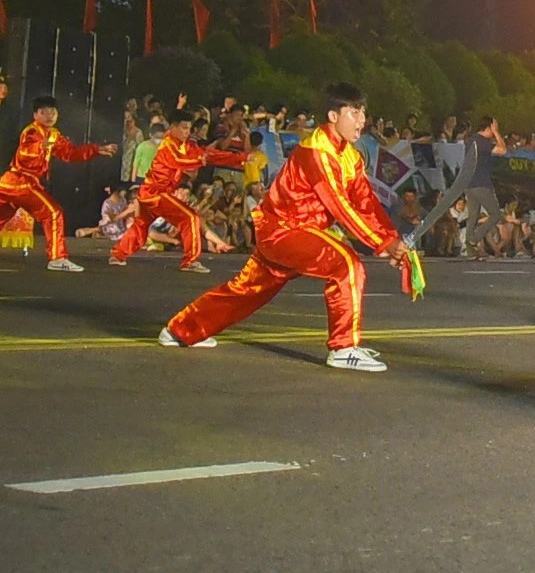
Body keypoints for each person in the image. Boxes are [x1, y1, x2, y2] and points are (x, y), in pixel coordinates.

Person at [159, 82, 410, 371]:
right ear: (332, 116)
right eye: (354, 112)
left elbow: (365, 202)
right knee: (346, 263)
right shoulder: (317, 152)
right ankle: (343, 347)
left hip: (294, 233)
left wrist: (390, 238)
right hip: (285, 230)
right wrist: (383, 244)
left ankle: (180, 330)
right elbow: (340, 206)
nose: (362, 120)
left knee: (245, 290)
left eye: (363, 112)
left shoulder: (349, 156)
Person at [0, 96, 117, 271]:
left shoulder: (53, 134)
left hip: (11, 184)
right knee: (54, 213)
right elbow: (27, 154)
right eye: (44, 112)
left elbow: (69, 153)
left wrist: (97, 150)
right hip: (21, 182)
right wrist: (41, 146)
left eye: (53, 112)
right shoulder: (32, 132)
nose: (49, 116)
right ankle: (57, 258)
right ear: (35, 115)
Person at [109, 109, 248, 273]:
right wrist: (198, 160)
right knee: (190, 217)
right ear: (173, 127)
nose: (186, 132)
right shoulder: (168, 144)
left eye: (188, 128)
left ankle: (118, 254)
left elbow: (209, 154)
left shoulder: (186, 145)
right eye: (183, 128)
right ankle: (189, 261)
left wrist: (241, 158)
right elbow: (179, 161)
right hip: (155, 193)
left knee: (141, 225)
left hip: (155, 193)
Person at [458, 116, 507, 258]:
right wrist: (497, 133)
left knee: (473, 215)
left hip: (469, 183)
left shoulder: (470, 140)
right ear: (489, 127)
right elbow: (503, 150)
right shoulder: (482, 142)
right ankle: (474, 238)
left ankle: (470, 250)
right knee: (495, 213)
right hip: (481, 183)